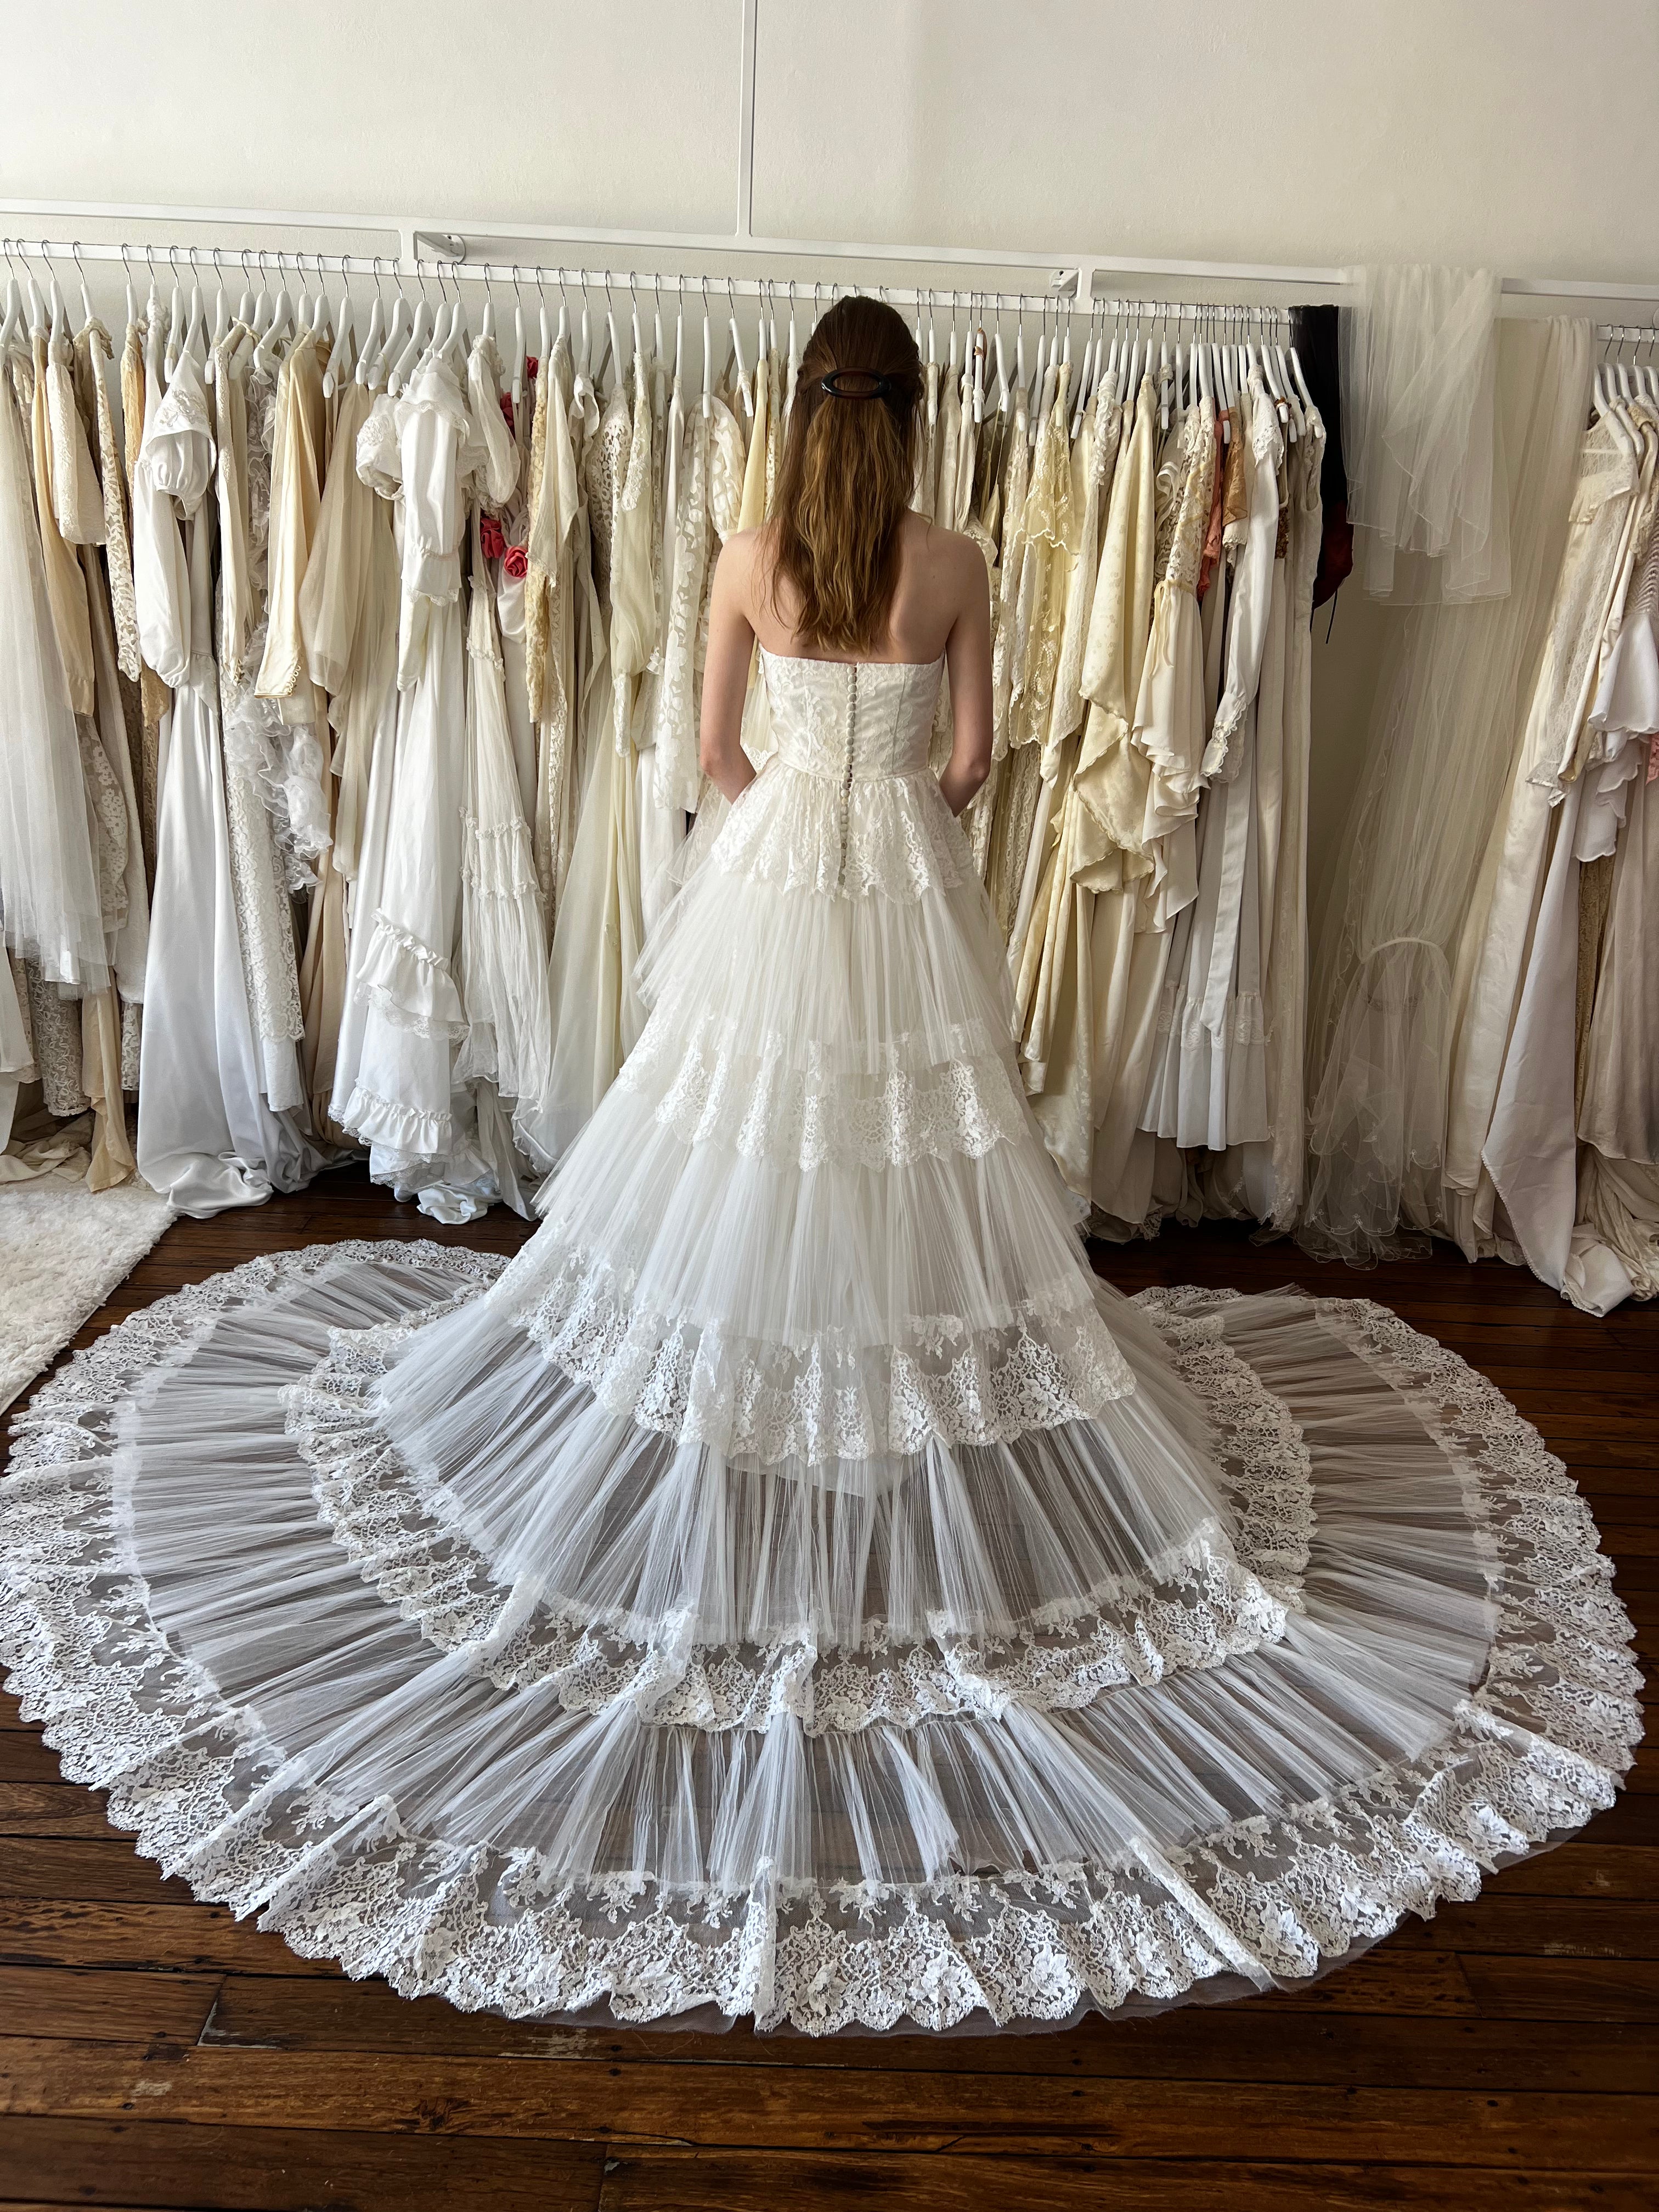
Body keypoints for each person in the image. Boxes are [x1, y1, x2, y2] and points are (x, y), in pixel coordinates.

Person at [0, 298, 1638, 2038]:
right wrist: (896, 784)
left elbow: (712, 757)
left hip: (777, 869)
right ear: (919, 413)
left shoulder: (747, 552)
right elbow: (976, 756)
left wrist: (797, 773)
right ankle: (878, 1392)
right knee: (915, 1148)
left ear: (802, 409)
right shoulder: (955, 557)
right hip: (903, 880)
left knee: (737, 1136)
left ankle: (763, 1378)